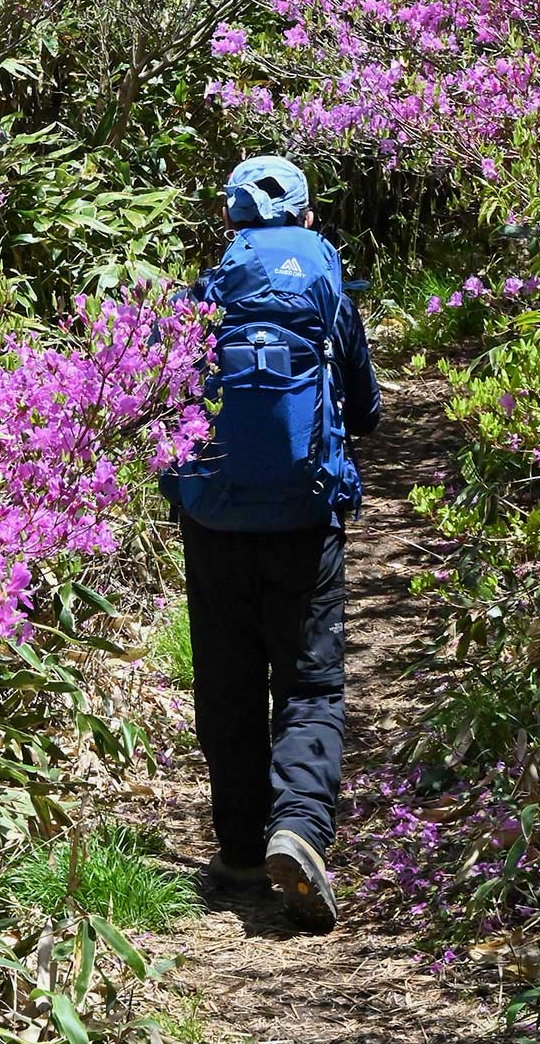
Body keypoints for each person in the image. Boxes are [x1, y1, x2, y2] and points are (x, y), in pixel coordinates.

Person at [161, 154, 381, 932]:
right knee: (309, 683)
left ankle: (239, 849)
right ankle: (300, 828)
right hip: (304, 521)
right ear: (306, 218)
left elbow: (162, 404)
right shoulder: (326, 289)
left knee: (227, 678)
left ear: (231, 220)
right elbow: (364, 410)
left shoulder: (201, 297)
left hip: (214, 520)